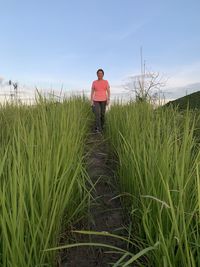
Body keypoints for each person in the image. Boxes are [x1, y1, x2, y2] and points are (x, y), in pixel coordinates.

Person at [90, 69, 110, 133]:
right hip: (96, 100)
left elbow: (108, 91)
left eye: (101, 73)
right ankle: (99, 129)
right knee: (97, 114)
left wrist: (108, 99)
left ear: (103, 74)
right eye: (98, 73)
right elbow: (92, 92)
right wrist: (91, 100)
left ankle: (102, 125)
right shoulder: (94, 82)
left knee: (102, 114)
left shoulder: (106, 82)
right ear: (97, 74)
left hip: (104, 100)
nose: (100, 74)